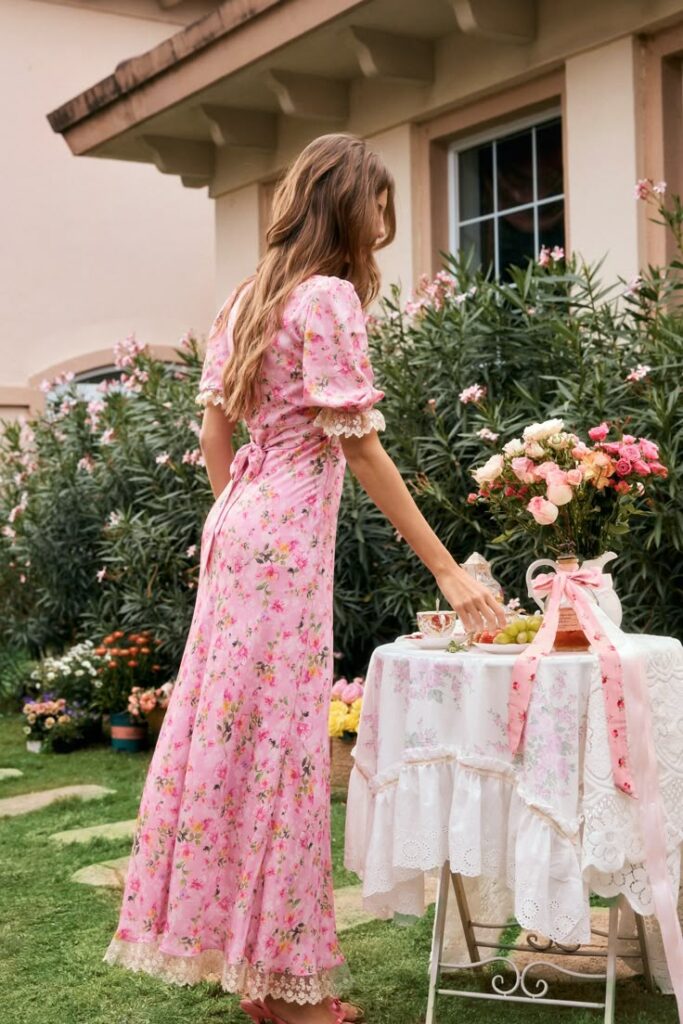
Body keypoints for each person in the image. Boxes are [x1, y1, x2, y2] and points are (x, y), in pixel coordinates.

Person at [102, 133, 505, 1024]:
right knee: (282, 754)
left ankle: (259, 977)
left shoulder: (249, 295)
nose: (384, 223)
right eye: (380, 204)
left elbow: (214, 434)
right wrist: (446, 571)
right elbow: (358, 443)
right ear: (348, 205)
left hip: (238, 528)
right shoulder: (324, 297)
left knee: (232, 749)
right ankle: (285, 993)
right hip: (280, 540)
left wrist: (235, 522)